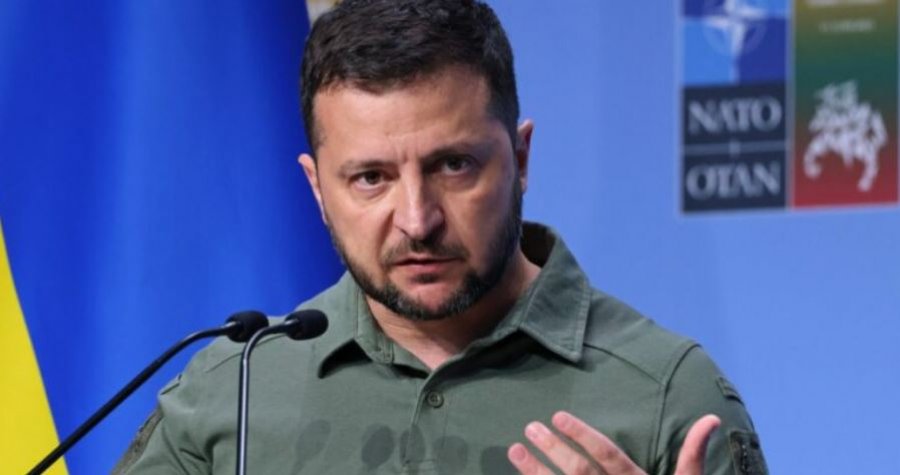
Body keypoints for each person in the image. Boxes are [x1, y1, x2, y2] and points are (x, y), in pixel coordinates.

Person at [115, 1, 768, 473]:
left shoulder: (668, 395)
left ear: (521, 160)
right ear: (317, 189)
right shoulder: (233, 389)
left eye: (454, 166)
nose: (417, 219)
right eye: (371, 178)